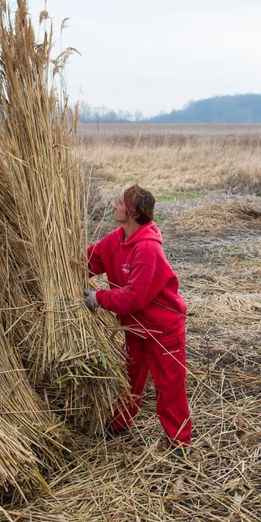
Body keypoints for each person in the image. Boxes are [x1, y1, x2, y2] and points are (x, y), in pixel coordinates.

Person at [85, 184, 192, 453]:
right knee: (130, 377)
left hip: (163, 329)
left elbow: (135, 297)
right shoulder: (115, 239)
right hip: (135, 327)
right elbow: (90, 260)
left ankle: (179, 443)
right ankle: (120, 423)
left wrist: (99, 298)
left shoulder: (147, 249)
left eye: (119, 203)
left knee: (169, 387)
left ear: (131, 212)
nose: (114, 206)